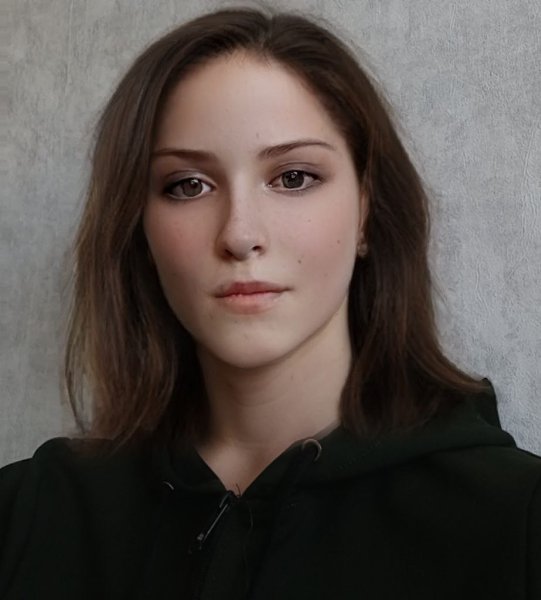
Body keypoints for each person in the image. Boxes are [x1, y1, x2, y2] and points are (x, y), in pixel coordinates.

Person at [1, 6, 539, 599]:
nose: (239, 234)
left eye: (293, 177)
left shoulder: (516, 521)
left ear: (366, 210)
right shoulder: (27, 516)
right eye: (188, 185)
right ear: (140, 230)